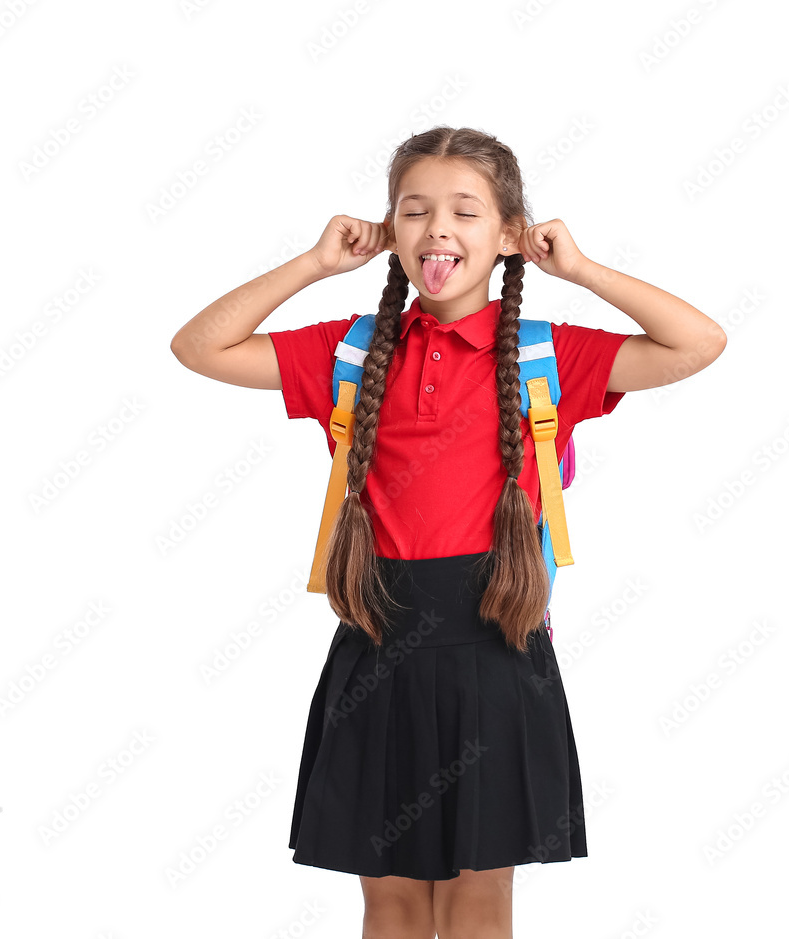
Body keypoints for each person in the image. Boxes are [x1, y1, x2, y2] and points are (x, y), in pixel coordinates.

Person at [170, 125, 726, 939]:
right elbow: (198, 346)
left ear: (507, 236)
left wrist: (578, 269)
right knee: (389, 900)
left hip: (497, 648)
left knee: (477, 898)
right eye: (415, 210)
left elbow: (699, 341)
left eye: (466, 212)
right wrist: (314, 264)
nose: (437, 229)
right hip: (377, 645)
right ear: (390, 231)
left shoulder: (547, 354)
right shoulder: (351, 351)